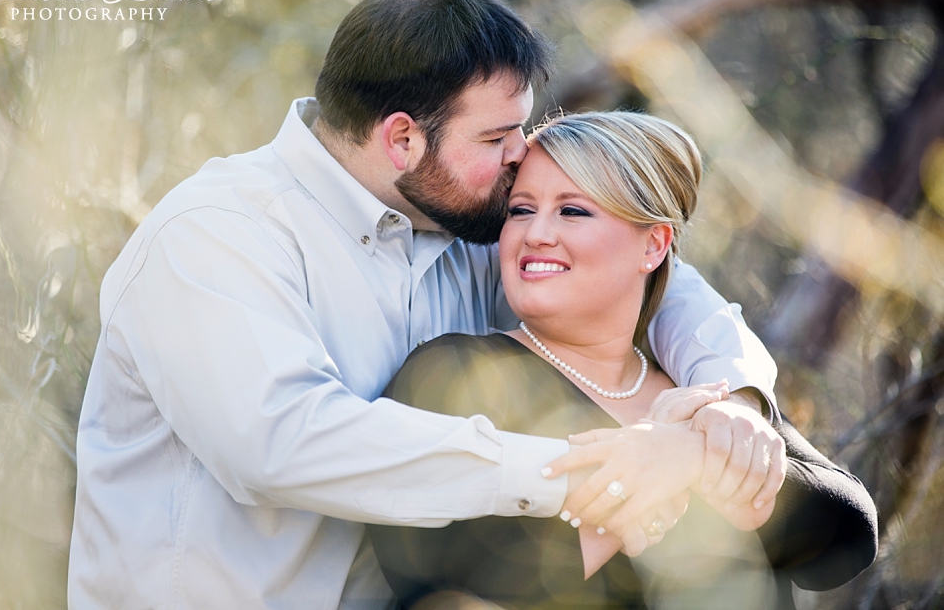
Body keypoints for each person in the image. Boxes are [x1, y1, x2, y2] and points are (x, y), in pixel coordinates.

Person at [68, 0, 783, 610]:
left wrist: (732, 405)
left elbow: (658, 275)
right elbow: (284, 440)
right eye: (499, 136)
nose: (521, 157)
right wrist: (584, 476)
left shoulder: (463, 215)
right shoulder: (217, 233)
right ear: (402, 140)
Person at [368, 111, 878, 610]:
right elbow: (427, 580)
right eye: (521, 210)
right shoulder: (453, 373)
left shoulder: (699, 392)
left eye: (573, 210)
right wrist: (639, 496)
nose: (535, 233)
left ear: (654, 244)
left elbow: (847, 538)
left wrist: (688, 456)